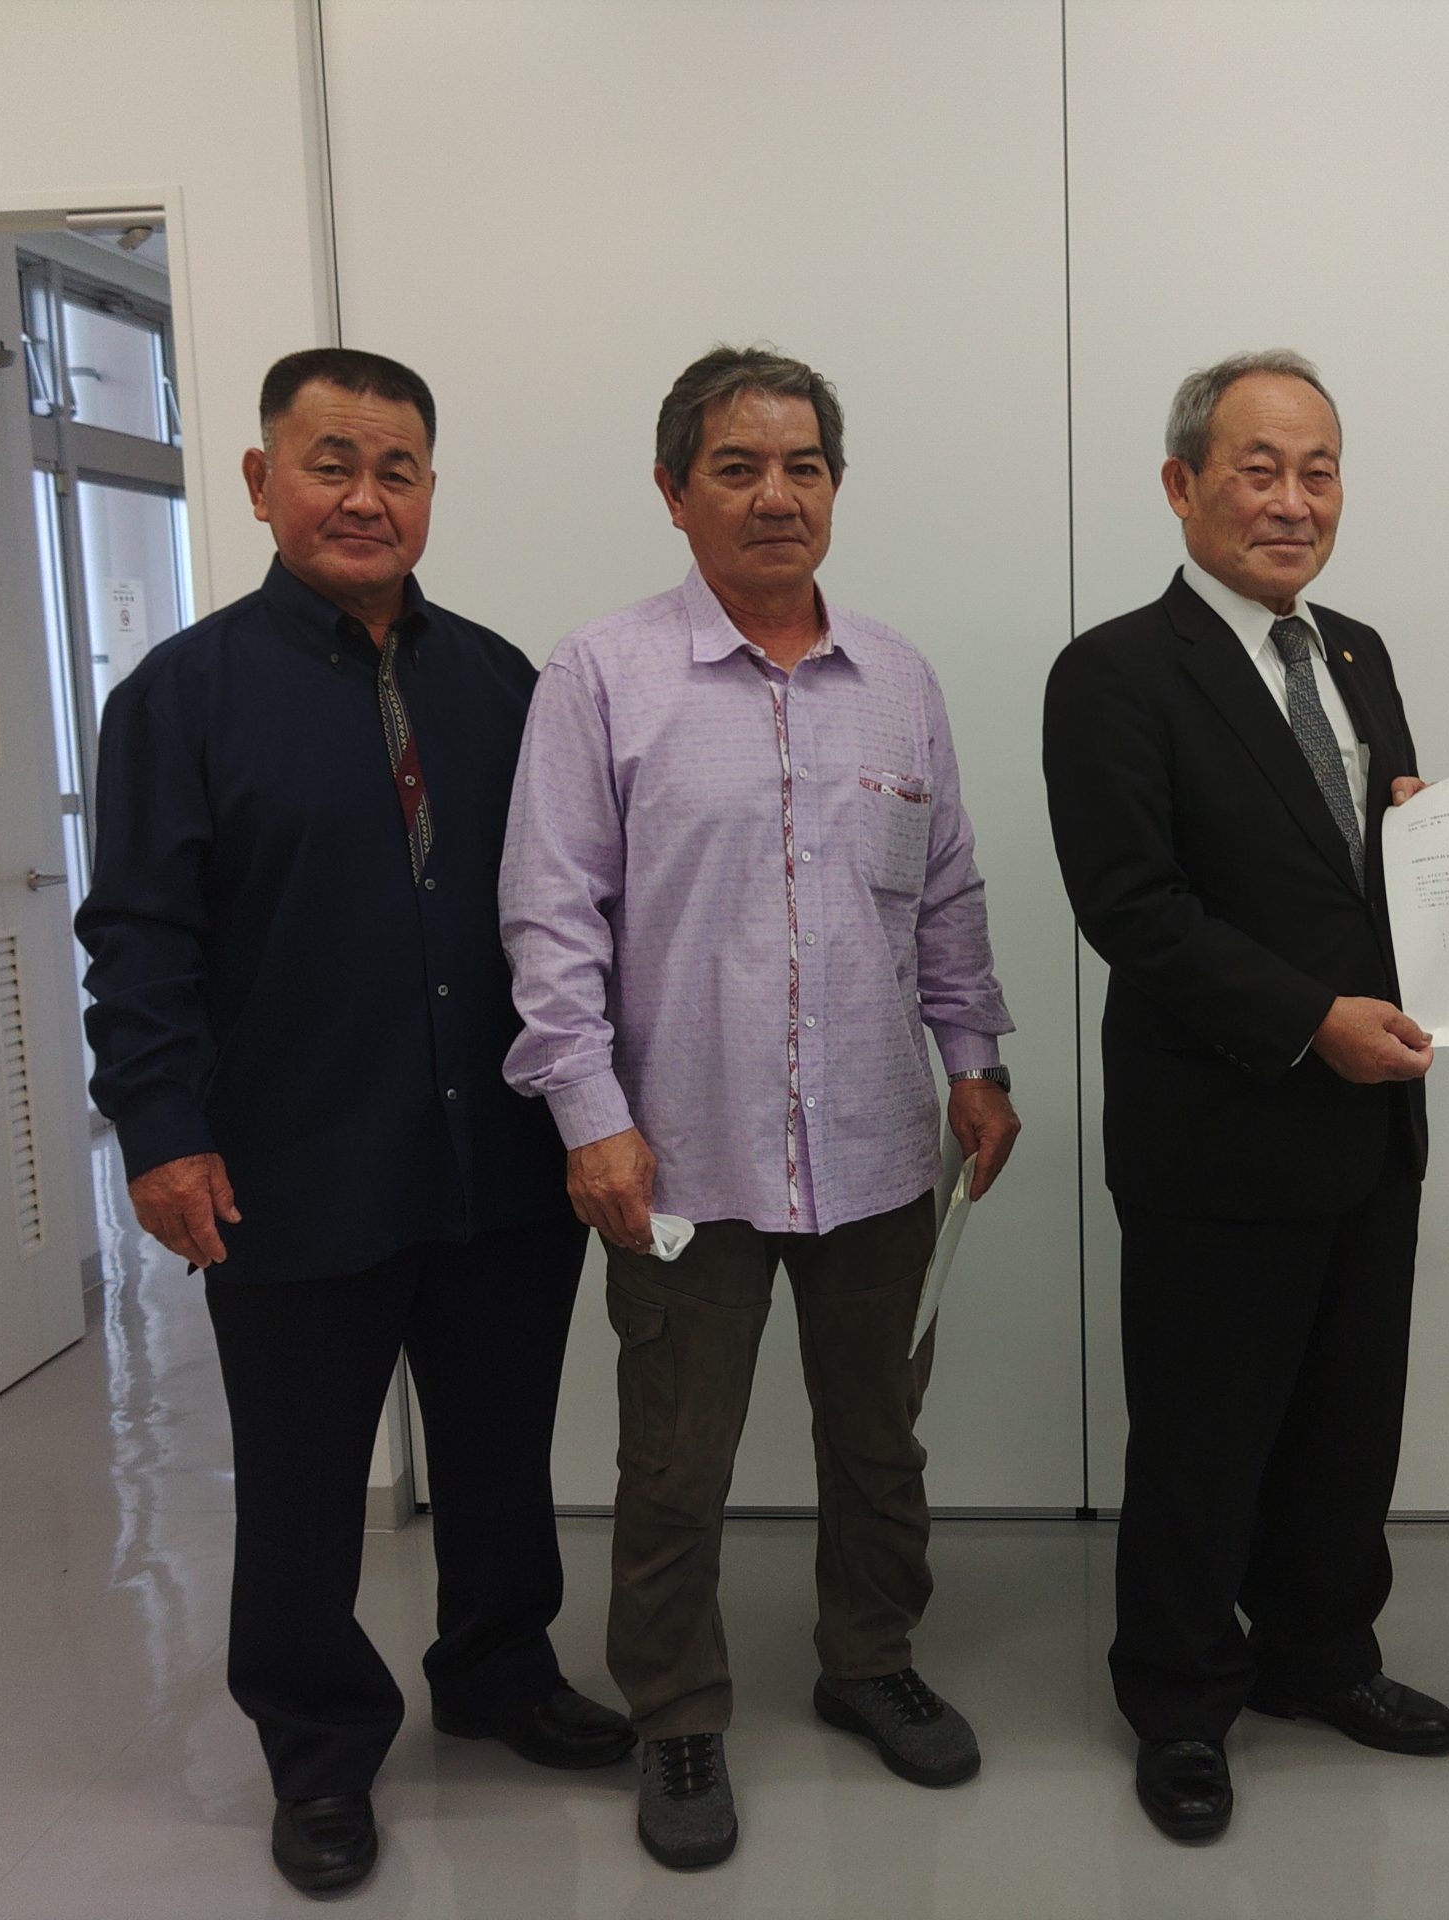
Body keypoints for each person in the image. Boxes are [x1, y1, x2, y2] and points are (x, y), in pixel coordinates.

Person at [77, 349, 632, 1897]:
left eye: (397, 469)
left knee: (501, 1449)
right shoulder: (181, 697)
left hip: (498, 1160)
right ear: (263, 482)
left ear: (432, 491)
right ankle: (319, 1748)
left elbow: (575, 911)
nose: (366, 497)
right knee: (306, 1477)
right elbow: (138, 937)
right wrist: (161, 1129)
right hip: (292, 1164)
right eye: (332, 463)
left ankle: (500, 1672)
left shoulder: (506, 685)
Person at [500, 345, 1020, 1872]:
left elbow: (947, 896)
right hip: (681, 1154)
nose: (775, 495)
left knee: (880, 1441)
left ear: (836, 489)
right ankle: (675, 1713)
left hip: (877, 1147)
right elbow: (550, 914)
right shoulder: (602, 676)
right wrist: (588, 1113)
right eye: (737, 467)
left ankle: (870, 1661)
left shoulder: (899, 681)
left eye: (803, 467)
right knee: (676, 1461)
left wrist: (975, 1061)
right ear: (676, 493)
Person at [1042, 349, 1449, 1845]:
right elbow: (1132, 907)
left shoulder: (1357, 653)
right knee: (1203, 1440)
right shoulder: (1113, 672)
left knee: (1349, 1423)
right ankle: (1178, 1699)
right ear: (1183, 485)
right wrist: (1307, 1023)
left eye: (1318, 472)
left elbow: (1373, 865)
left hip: (1370, 1121)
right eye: (1259, 469)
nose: (1293, 502)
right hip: (1217, 1126)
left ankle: (1321, 1656)